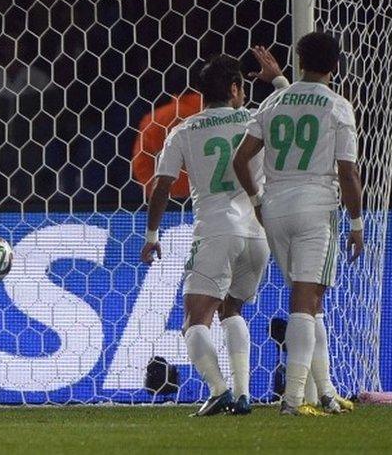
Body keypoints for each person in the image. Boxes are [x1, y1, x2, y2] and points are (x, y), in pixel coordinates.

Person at [233, 32, 364, 416]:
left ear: (300, 60)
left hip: (274, 208)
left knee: (312, 303)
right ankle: (292, 399)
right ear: (336, 65)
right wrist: (356, 222)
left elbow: (241, 159)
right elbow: (348, 171)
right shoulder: (338, 106)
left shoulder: (274, 100)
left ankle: (324, 390)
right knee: (305, 302)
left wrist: (257, 201)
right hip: (315, 207)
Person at [141, 55, 269, 416]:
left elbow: (161, 186)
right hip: (259, 232)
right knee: (233, 309)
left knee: (195, 319)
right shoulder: (257, 120)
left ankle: (219, 389)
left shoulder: (183, 131)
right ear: (234, 89)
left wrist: (152, 234)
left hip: (215, 230)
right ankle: (243, 393)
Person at [132, 89, 203, 198]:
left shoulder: (155, 117)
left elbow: (141, 164)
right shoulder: (215, 117)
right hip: (209, 197)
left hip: (165, 199)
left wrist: (158, 196)